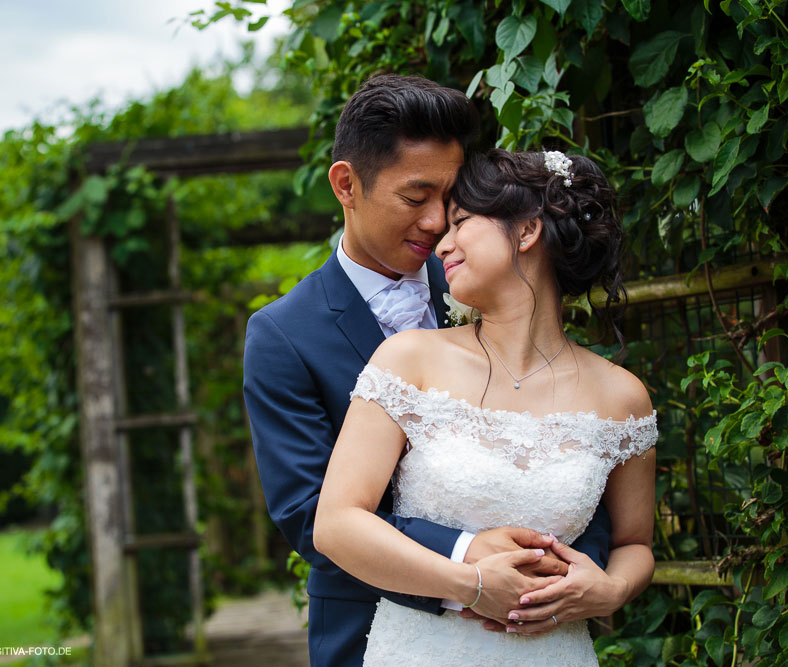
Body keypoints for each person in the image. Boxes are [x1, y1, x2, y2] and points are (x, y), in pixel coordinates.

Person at [243, 74, 621, 667]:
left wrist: (558, 570)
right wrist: (468, 558)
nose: (437, 222)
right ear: (347, 184)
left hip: (534, 636)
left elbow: (569, 445)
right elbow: (310, 514)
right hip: (371, 634)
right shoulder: (284, 335)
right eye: (416, 198)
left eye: (450, 199)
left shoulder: (493, 280)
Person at [313, 148, 658, 665]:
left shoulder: (621, 396)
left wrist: (611, 590)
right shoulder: (410, 360)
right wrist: (470, 584)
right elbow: (336, 525)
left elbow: (634, 543)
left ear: (525, 232)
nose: (442, 244)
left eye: (461, 223)